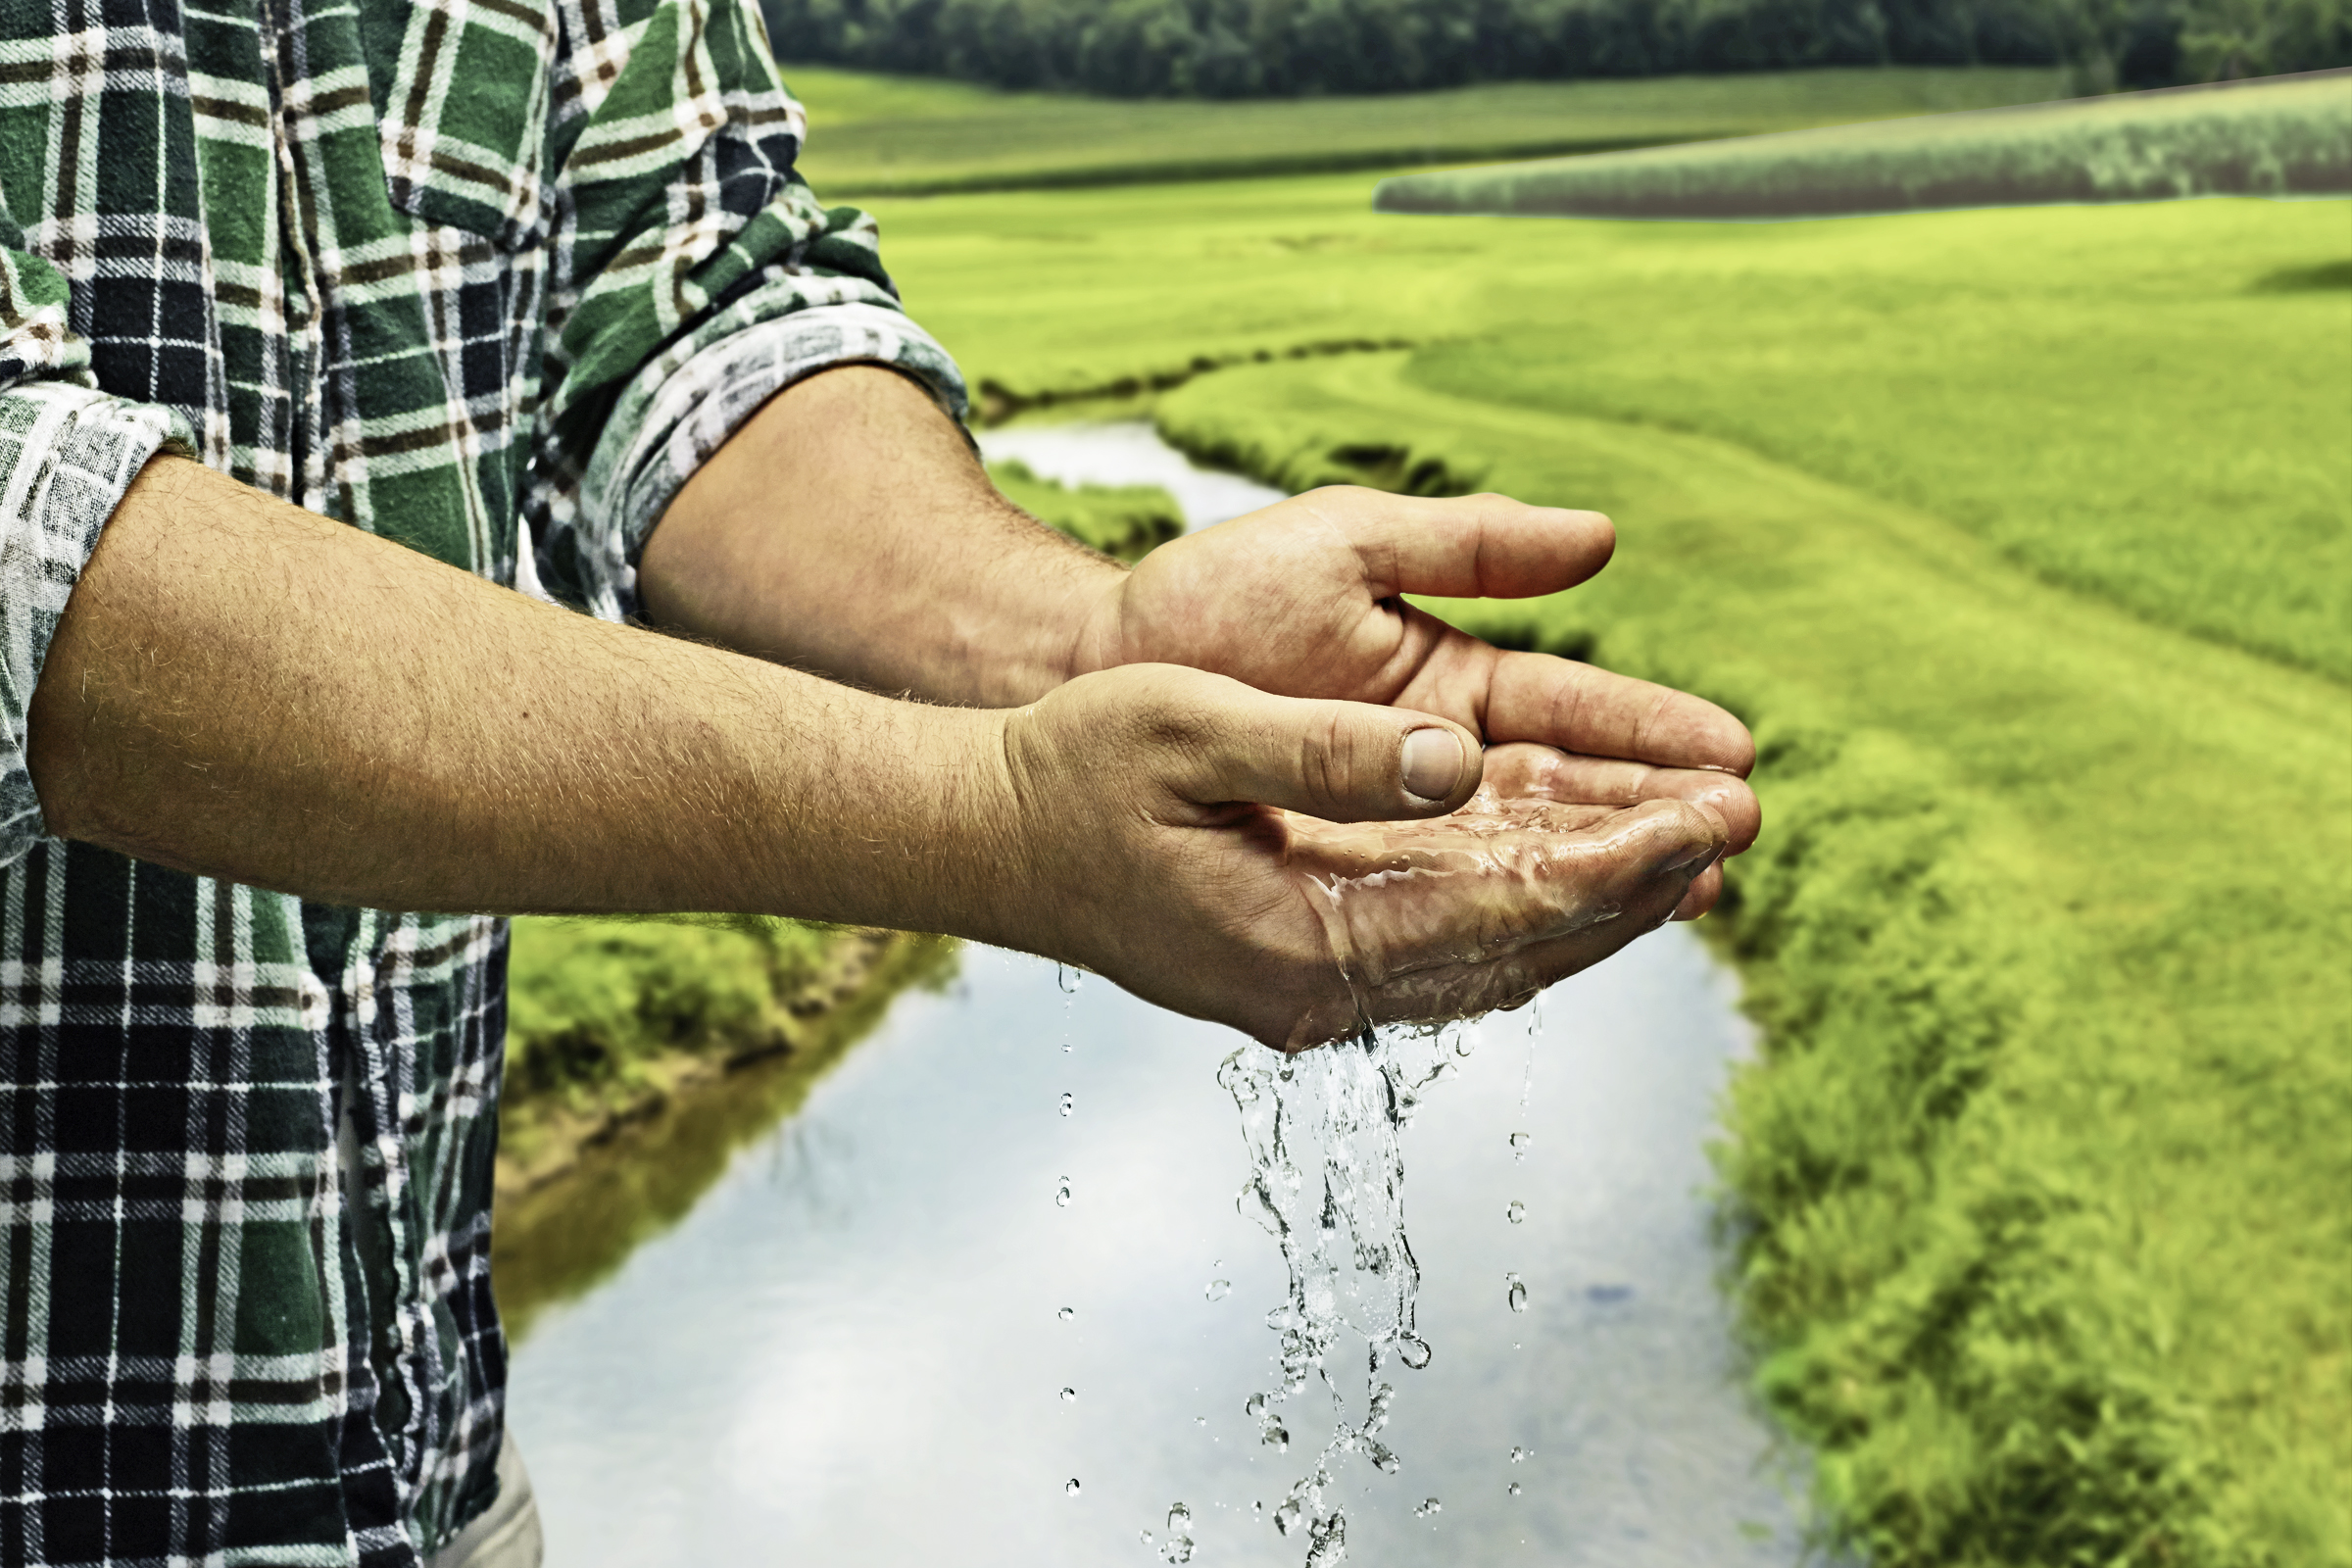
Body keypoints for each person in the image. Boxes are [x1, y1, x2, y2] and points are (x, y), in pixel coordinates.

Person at [0, 0, 1757, 1559]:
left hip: (428, 1480)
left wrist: (1081, 637)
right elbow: (28, 542)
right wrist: (986, 818)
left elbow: (688, 297)